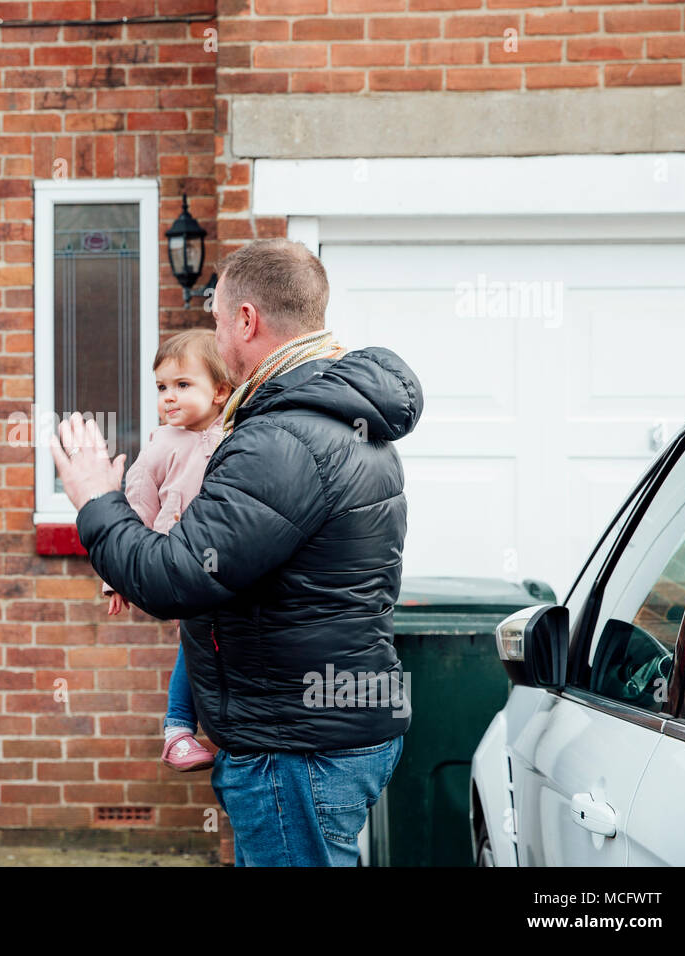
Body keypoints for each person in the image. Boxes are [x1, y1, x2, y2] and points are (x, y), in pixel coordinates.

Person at [51, 237, 424, 866]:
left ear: (247, 319)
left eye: (219, 318)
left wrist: (96, 501)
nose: (217, 332)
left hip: (295, 744)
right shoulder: (335, 417)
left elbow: (176, 578)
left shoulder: (283, 439)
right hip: (324, 729)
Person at [98, 329, 231, 772]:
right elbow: (135, 507)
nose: (168, 397)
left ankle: (223, 725)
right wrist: (117, 574)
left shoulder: (237, 433)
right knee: (193, 643)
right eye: (161, 387)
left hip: (229, 562)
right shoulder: (161, 444)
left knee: (221, 642)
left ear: (221, 391)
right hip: (179, 561)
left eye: (182, 385)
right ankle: (177, 731)